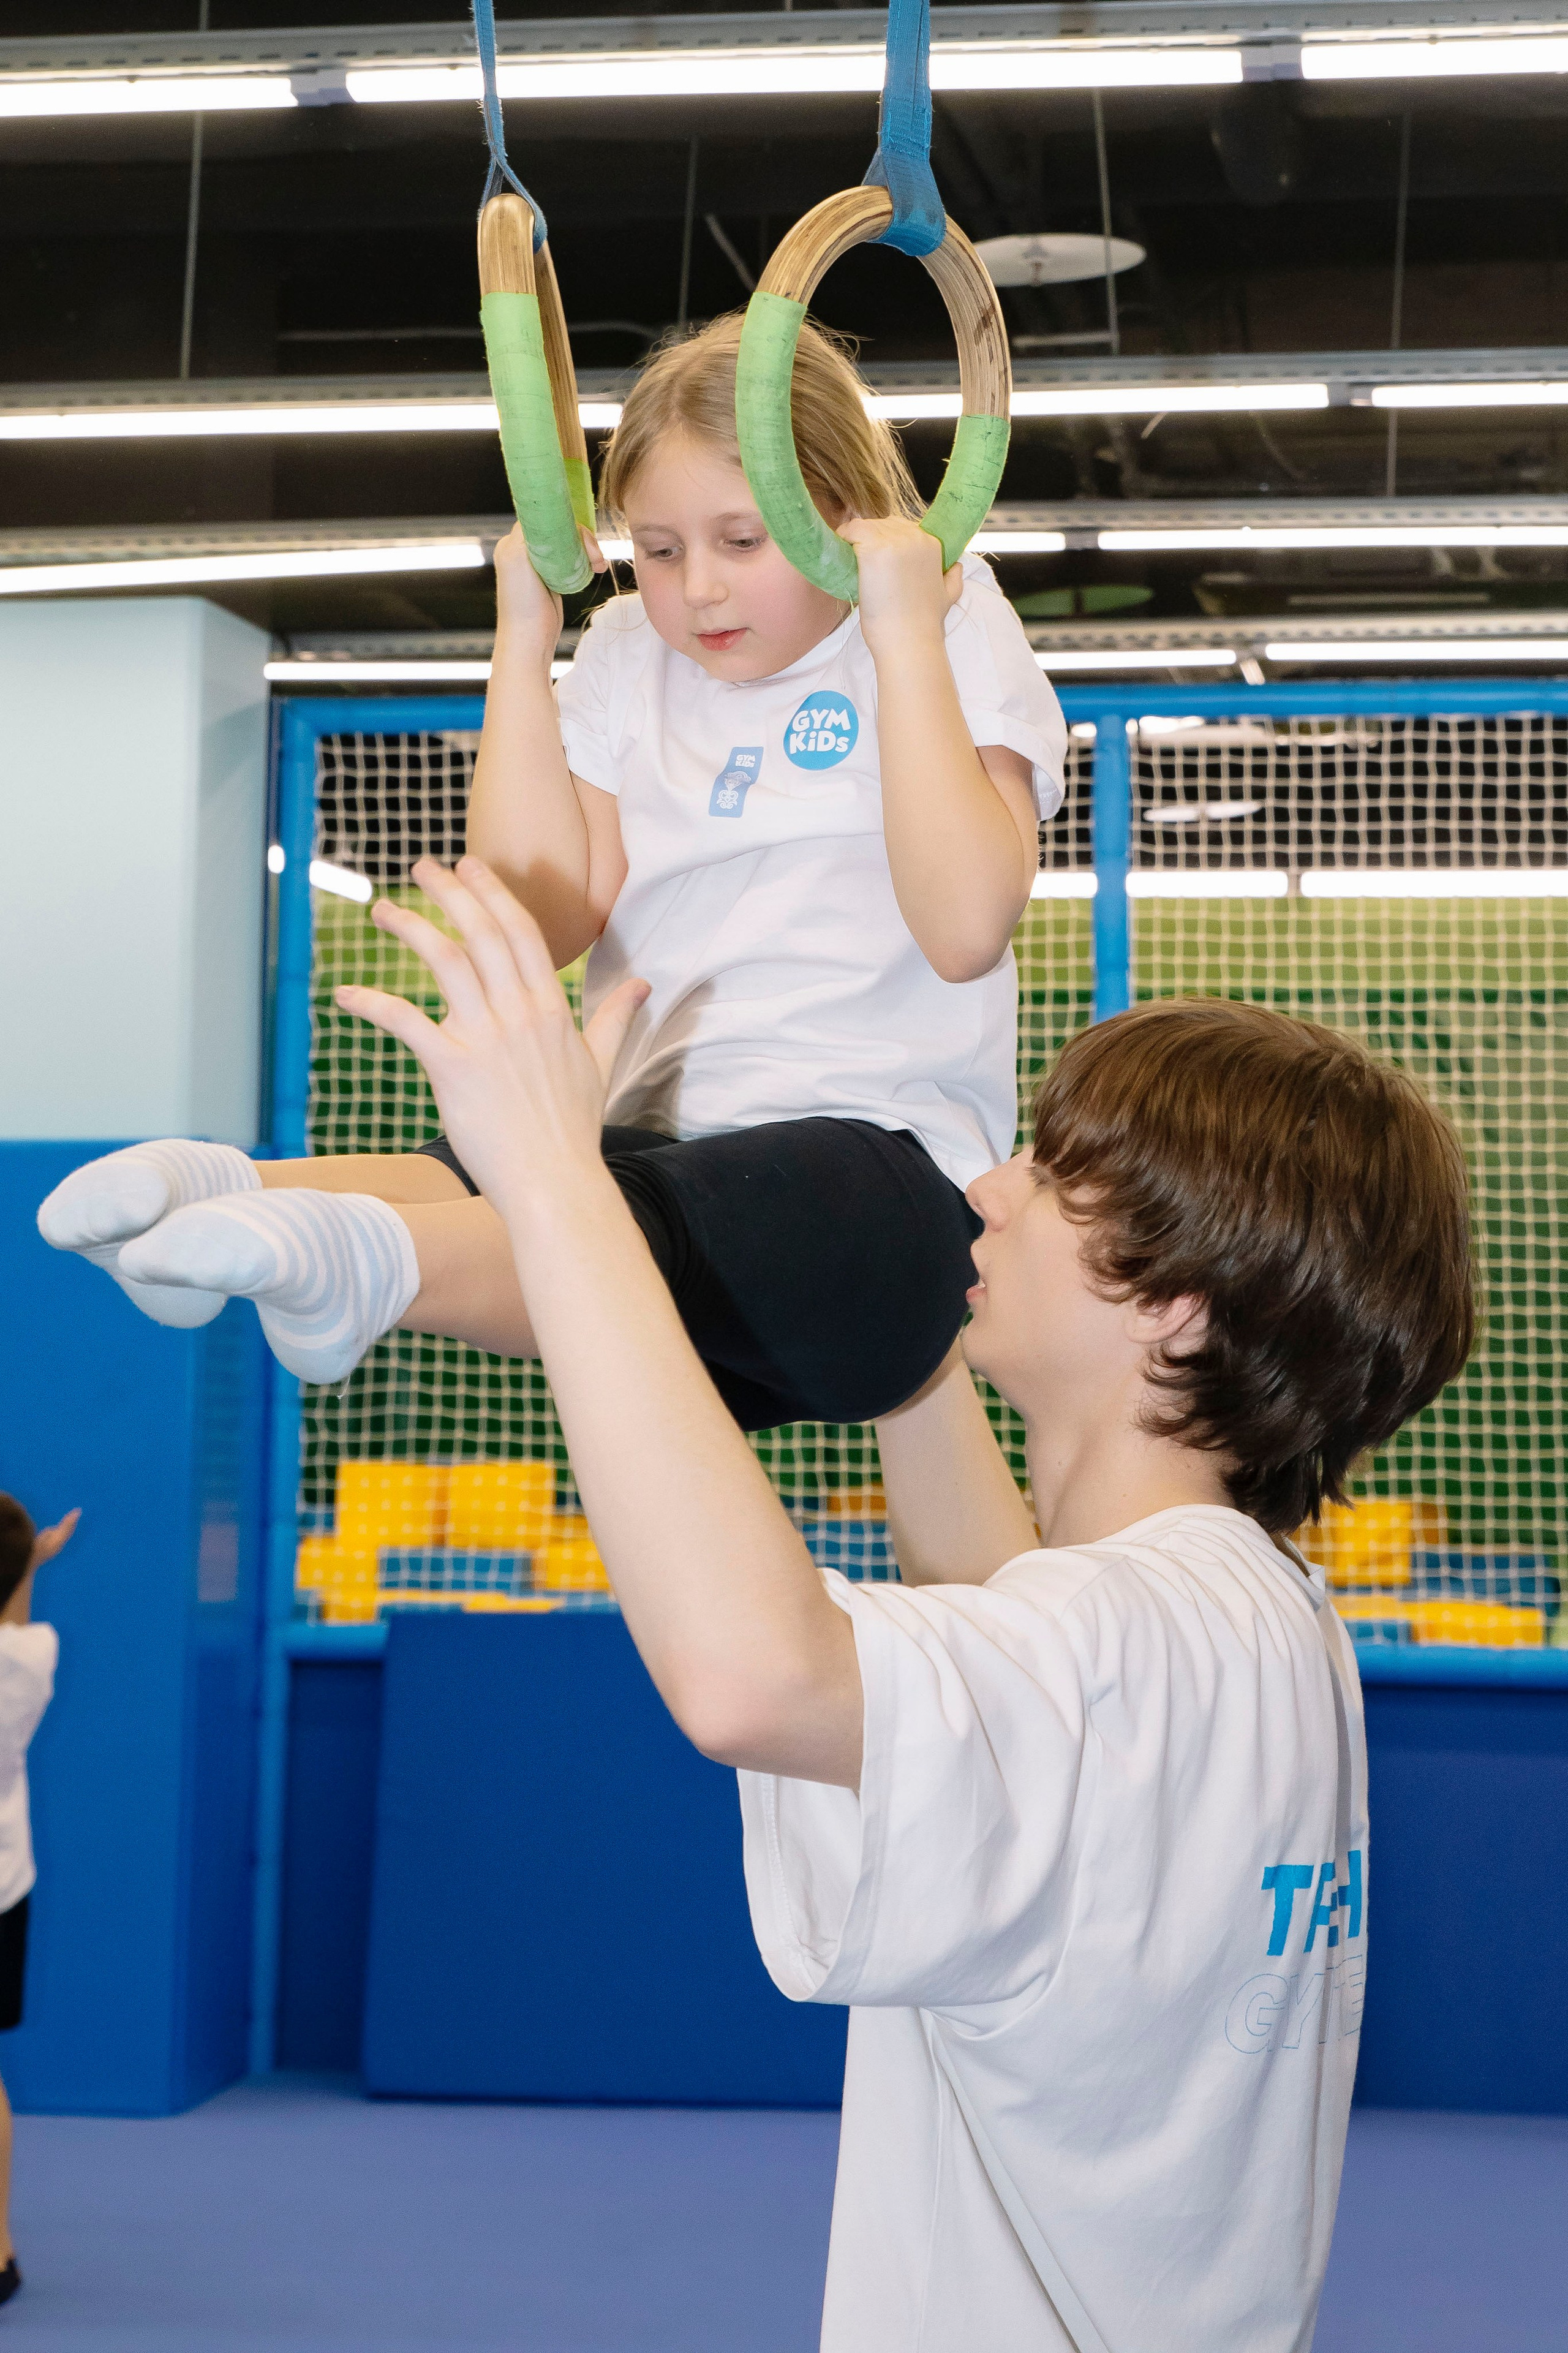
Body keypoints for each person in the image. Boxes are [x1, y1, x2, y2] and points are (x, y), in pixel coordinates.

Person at [314, 858, 1471, 2351]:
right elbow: (1014, 1621)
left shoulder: (1123, 1642)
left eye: (1048, 1175)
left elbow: (754, 1678)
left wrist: (555, 1184)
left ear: (1175, 1297)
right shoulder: (1255, 1619)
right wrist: (894, 1326)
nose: (992, 1188)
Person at [36, 314, 1066, 1435]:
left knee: (648, 1199)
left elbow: (966, 927)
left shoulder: (949, 619)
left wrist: (901, 635)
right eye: (661, 551)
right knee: (507, 1162)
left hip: (883, 1207)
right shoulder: (629, 650)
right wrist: (523, 645)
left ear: (846, 517)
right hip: (662, 1202)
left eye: (743, 540)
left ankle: (370, 1264)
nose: (701, 590)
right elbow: (540, 911)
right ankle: (232, 1202)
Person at [0, 1497, 78, 2311]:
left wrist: (26, 1559)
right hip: (5, 1887)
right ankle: (1, 2249)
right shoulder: (32, 1657)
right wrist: (32, 1560)